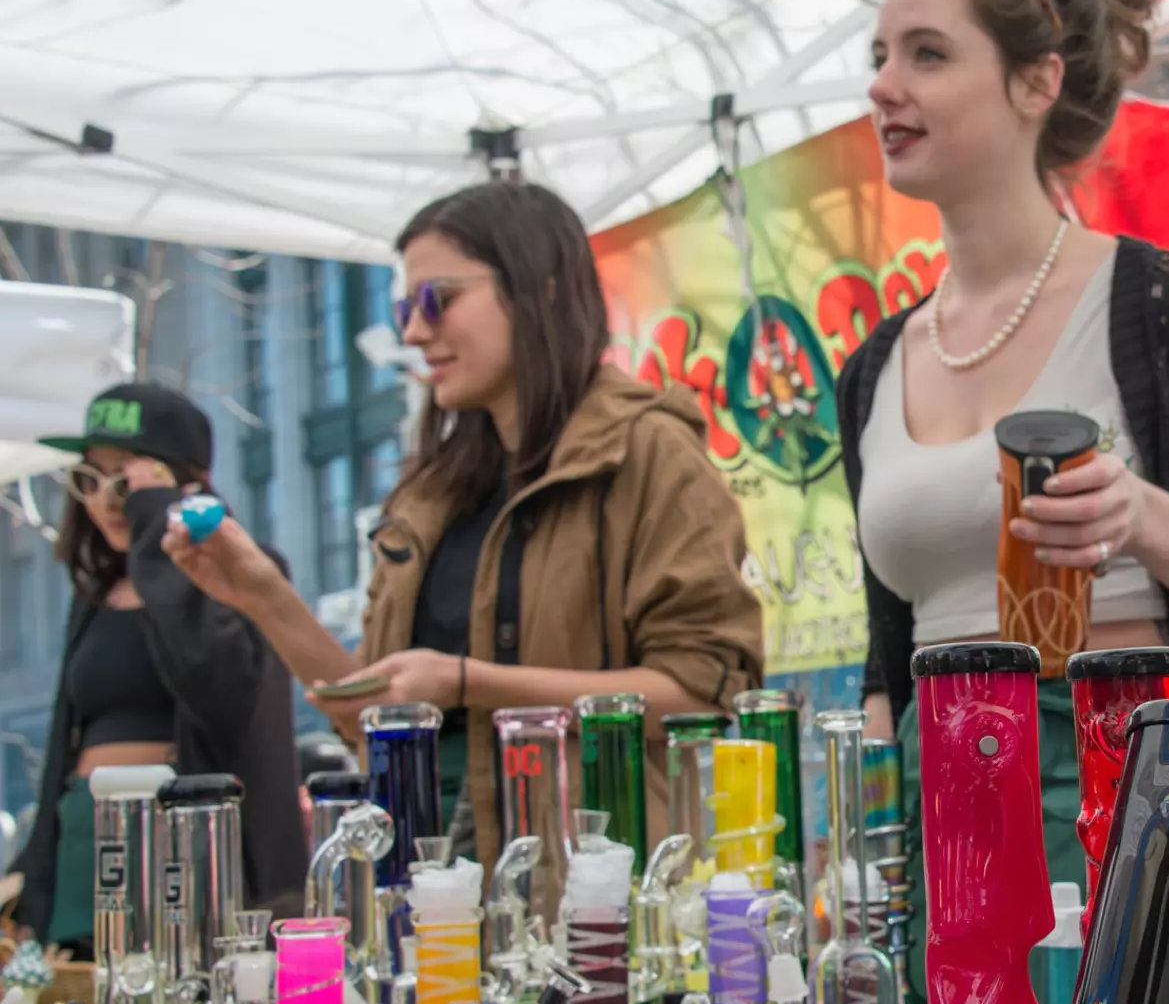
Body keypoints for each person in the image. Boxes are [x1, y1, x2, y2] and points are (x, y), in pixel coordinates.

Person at [839, 0, 1169, 1004]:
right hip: (946, 797)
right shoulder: (874, 364)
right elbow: (886, 654)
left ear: (1035, 81)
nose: (884, 86)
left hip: (1123, 773)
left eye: (926, 53)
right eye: (877, 56)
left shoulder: (1162, 302)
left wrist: (1142, 516)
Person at [163, 181, 765, 877]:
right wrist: (263, 596)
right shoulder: (432, 490)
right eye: (403, 308)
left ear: (538, 289)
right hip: (424, 887)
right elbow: (374, 723)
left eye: (435, 300)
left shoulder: (648, 452)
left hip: (591, 893)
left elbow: (701, 695)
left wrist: (467, 680)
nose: (414, 332)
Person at [14, 382, 307, 952]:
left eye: (128, 482)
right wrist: (38, 877)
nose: (105, 500)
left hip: (189, 848)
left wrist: (158, 529)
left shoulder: (244, 575)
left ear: (187, 486)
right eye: (90, 480)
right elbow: (60, 745)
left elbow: (218, 687)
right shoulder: (93, 596)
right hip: (89, 846)